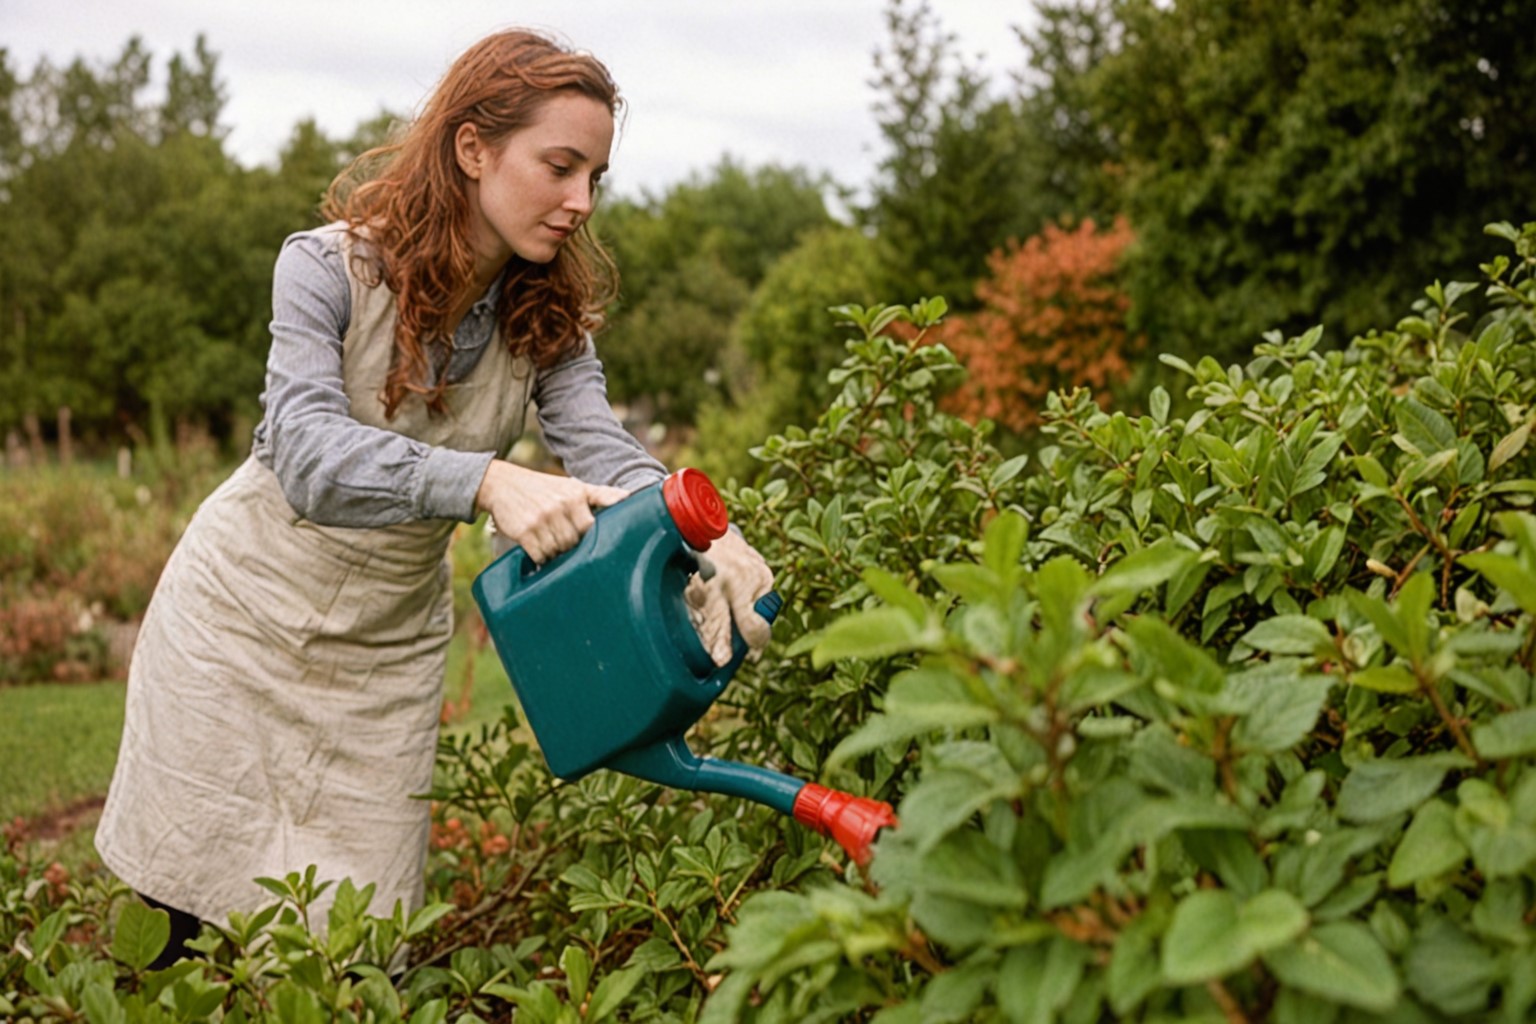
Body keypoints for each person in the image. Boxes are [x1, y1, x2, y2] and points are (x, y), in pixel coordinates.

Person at [95, 28, 775, 969]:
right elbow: (302, 448)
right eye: (560, 166)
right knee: (176, 924)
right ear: (473, 149)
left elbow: (602, 450)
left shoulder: (549, 326)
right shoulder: (325, 268)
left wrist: (709, 531)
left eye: (596, 178)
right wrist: (485, 479)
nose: (580, 202)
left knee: (355, 947)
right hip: (238, 623)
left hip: (384, 653)